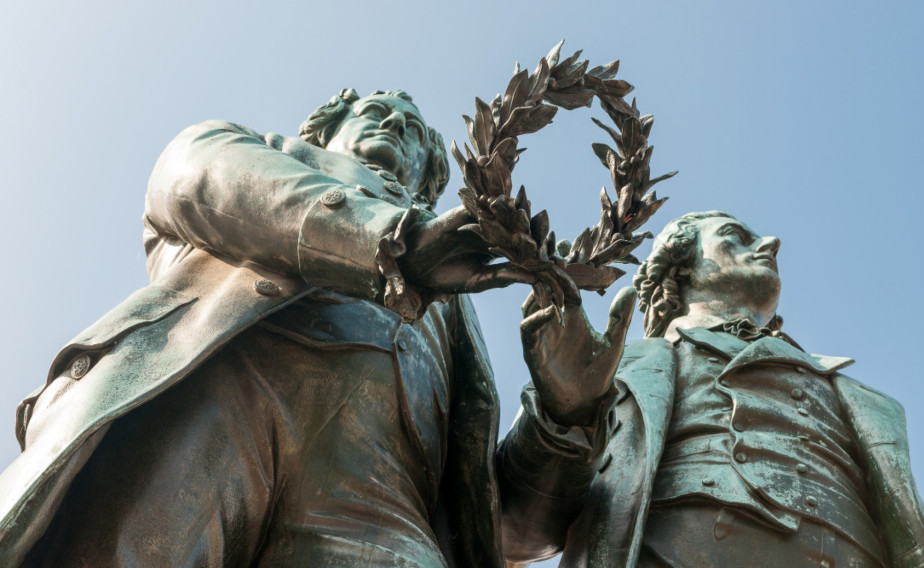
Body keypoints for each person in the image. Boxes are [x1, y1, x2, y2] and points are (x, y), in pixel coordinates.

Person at [0, 89, 630, 567]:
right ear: (324, 128)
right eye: (377, 112)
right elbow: (193, 177)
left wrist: (563, 418)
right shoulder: (257, 157)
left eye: (413, 130)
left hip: (381, 514)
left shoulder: (457, 309)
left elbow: (502, 529)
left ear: (429, 176)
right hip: (205, 411)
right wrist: (391, 243)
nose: (393, 126)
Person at [552, 211, 924, 568]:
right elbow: (520, 530)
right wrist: (560, 416)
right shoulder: (609, 362)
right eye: (734, 235)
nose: (770, 242)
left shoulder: (851, 391)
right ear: (680, 266)